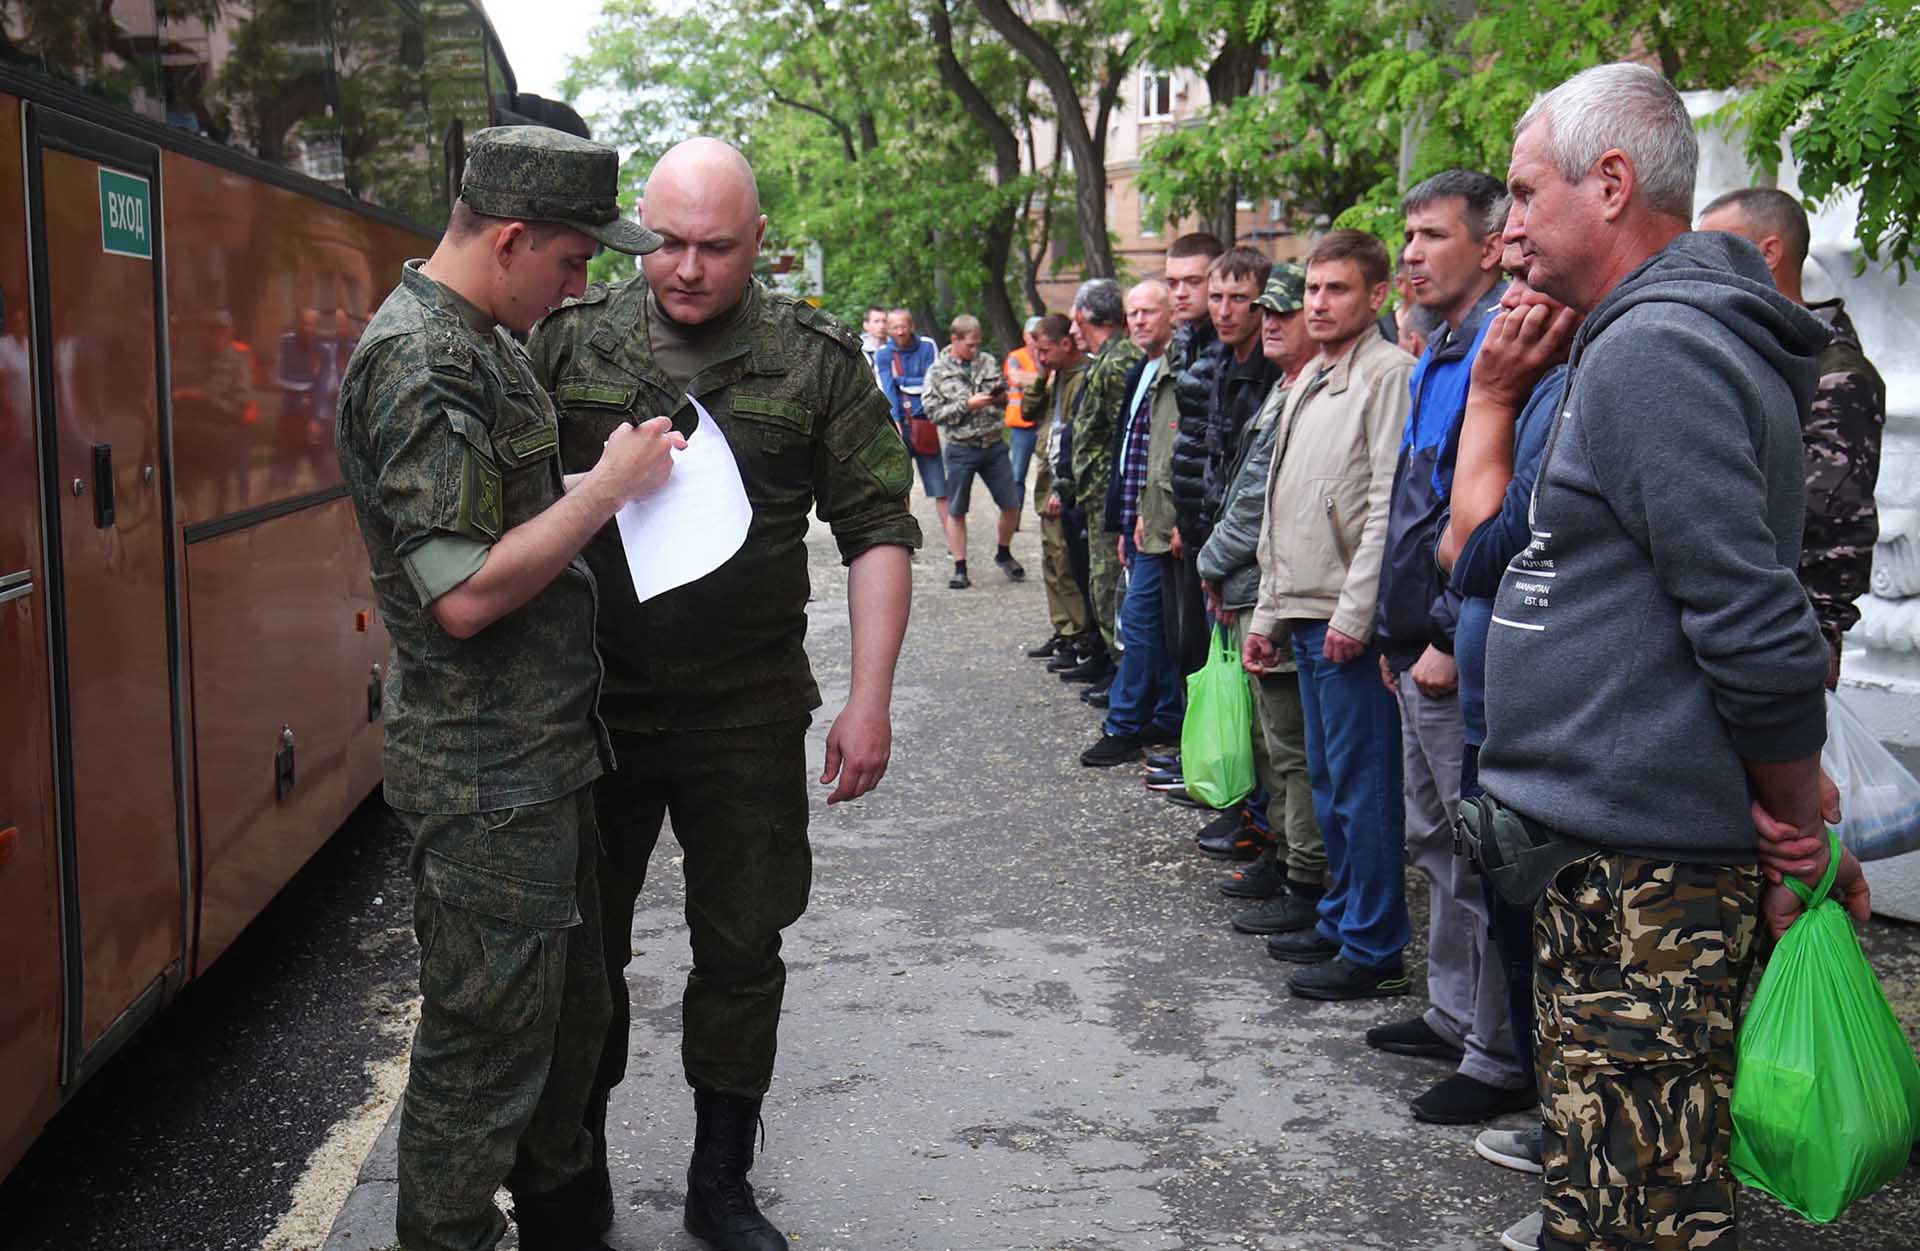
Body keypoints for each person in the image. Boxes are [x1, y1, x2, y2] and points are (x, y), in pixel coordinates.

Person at [1482, 63, 1867, 1251]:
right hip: (1618, 860)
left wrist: (1798, 823)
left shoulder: (1659, 349)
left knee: (1640, 1214)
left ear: (1608, 185)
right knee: (1610, 1197)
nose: (1506, 233)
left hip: (1644, 875)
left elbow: (1752, 624)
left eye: (1521, 194)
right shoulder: (1636, 338)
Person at [528, 136, 919, 1251]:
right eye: (667, 244)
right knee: (580, 958)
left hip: (744, 712)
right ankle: (575, 1169)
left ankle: (719, 1180)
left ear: (760, 244)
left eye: (714, 247)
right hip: (589, 712)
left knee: (742, 951)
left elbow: (878, 528)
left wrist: (869, 697)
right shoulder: (571, 342)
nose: (686, 268)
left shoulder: (815, 362)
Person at [335, 125, 678, 1251]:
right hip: (490, 788)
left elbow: (490, 519)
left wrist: (588, 482)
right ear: (516, 237)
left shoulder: (478, 339)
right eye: (575, 262)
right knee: (481, 1063)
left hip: (540, 768)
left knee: (566, 1036)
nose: (580, 287)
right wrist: (607, 492)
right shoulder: (423, 360)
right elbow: (466, 594)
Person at [1366, 169, 1532, 1128]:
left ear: (1487, 239)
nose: (1412, 254)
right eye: (1409, 236)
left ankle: (1497, 1051)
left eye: (1432, 236)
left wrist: (1440, 637)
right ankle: (1452, 1009)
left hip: (1454, 644)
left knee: (1474, 854)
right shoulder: (1439, 345)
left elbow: (1489, 512)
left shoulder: (1506, 344)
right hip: (1413, 640)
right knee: (1433, 841)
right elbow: (1412, 501)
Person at [1438, 245, 1580, 1251]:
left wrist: (1490, 398)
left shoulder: (1581, 380)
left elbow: (1484, 546)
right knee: (1516, 905)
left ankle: (1589, 1162)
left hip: (1565, 727)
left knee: (1566, 938)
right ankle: (1559, 1127)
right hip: (1513, 709)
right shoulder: (1550, 381)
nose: (1512, 285)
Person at [1242, 229, 1415, 1002]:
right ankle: (1343, 915)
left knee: (1362, 784)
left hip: (1345, 617)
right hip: (1303, 607)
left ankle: (1373, 942)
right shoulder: (1315, 374)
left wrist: (1357, 610)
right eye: (1311, 289)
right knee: (1328, 779)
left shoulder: (1388, 374)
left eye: (1335, 289)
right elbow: (1284, 501)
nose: (1316, 303)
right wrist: (1268, 612)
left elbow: (1386, 504)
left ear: (1377, 296)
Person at [1697, 186, 1887, 687]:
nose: (1700, 265)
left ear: (1768, 253)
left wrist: (1820, 636)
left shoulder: (1834, 374)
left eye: (1715, 248)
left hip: (1785, 641)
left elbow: (1831, 519)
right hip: (1729, 627)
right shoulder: (1743, 352)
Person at [1194, 264, 1325, 923]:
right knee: (1273, 741)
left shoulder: (1311, 390)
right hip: (1257, 584)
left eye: (1284, 312)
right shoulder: (1286, 386)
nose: (1270, 322)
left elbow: (1254, 506)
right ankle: (1284, 857)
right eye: (1265, 312)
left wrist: (1211, 560)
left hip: (1279, 588)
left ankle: (1304, 879)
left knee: (1290, 746)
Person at [1081, 279, 1181, 763]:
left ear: (1171, 315)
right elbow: (1131, 452)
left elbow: (1168, 457)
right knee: (1149, 624)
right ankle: (1161, 716)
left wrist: (1154, 517)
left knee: (1140, 622)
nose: (1139, 320)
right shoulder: (1145, 367)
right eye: (1133, 312)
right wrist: (1124, 522)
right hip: (1140, 523)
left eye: (1149, 312)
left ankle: (1124, 724)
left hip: (1164, 524)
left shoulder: (1175, 370)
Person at [1069, 277, 1145, 696]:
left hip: (1109, 499)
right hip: (1096, 496)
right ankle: (1116, 675)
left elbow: (1128, 436)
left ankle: (1124, 682)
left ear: (1083, 315)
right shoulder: (1107, 358)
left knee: (1110, 588)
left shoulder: (1118, 361)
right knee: (1102, 588)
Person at [922, 313, 1025, 588]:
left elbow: (1005, 400)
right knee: (957, 509)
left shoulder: (988, 362)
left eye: (977, 344)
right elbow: (932, 413)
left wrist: (1001, 395)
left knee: (1012, 504)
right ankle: (960, 567)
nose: (975, 349)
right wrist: (967, 405)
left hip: (993, 444)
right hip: (960, 447)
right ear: (954, 339)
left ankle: (1003, 552)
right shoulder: (938, 371)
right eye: (969, 344)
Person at [1165, 232, 1227, 678]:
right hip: (1189, 515)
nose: (1180, 292)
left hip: (1216, 523)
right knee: (1191, 643)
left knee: (1214, 648)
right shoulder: (1188, 340)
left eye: (1193, 281)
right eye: (1173, 282)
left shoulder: (1236, 348)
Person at [1026, 314, 1095, 665]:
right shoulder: (1057, 377)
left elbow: (1074, 440)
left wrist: (1060, 487)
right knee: (1051, 562)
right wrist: (1041, 377)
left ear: (1066, 343)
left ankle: (1077, 635)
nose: (1041, 356)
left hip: (1062, 487)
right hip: (1046, 482)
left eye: (1045, 350)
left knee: (1066, 562)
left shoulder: (1083, 378)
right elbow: (1027, 412)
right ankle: (1062, 627)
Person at [1200, 247, 1278, 536]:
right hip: (1214, 527)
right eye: (1216, 297)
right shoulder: (1221, 361)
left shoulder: (1276, 370)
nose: (1223, 312)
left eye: (1239, 299)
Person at [875, 308, 949, 526]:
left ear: (912, 326)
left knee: (940, 488)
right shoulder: (883, 354)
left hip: (925, 422)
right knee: (900, 487)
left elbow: (933, 383)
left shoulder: (927, 346)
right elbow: (887, 390)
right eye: (895, 327)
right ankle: (905, 542)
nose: (900, 332)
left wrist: (903, 382)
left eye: (904, 326)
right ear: (889, 329)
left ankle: (953, 545)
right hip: (899, 425)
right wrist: (895, 423)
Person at [1005, 315, 1045, 495]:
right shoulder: (1016, 357)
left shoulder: (1048, 355)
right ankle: (1013, 523)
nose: (1035, 339)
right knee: (1016, 477)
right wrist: (1046, 380)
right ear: (1024, 335)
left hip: (1045, 424)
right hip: (1021, 426)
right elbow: (1015, 377)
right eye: (1032, 334)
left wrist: (1029, 379)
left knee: (1050, 475)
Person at [859, 304, 887, 379]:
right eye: (876, 321)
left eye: (885, 321)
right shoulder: (858, 351)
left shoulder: (896, 348)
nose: (882, 325)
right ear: (866, 325)